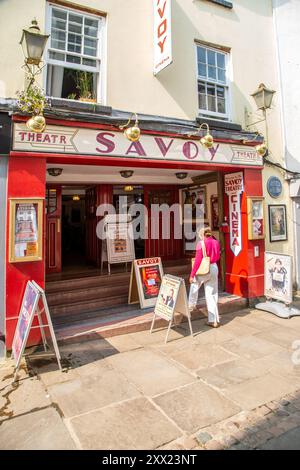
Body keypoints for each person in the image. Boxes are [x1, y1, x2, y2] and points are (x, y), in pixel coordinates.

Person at [188, 226, 221, 328]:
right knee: (212, 294)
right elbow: (218, 255)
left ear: (202, 235)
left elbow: (198, 261)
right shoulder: (216, 242)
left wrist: (192, 275)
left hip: (204, 268)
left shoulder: (201, 244)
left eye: (200, 236)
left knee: (194, 283)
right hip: (214, 267)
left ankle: (190, 305)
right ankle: (213, 320)